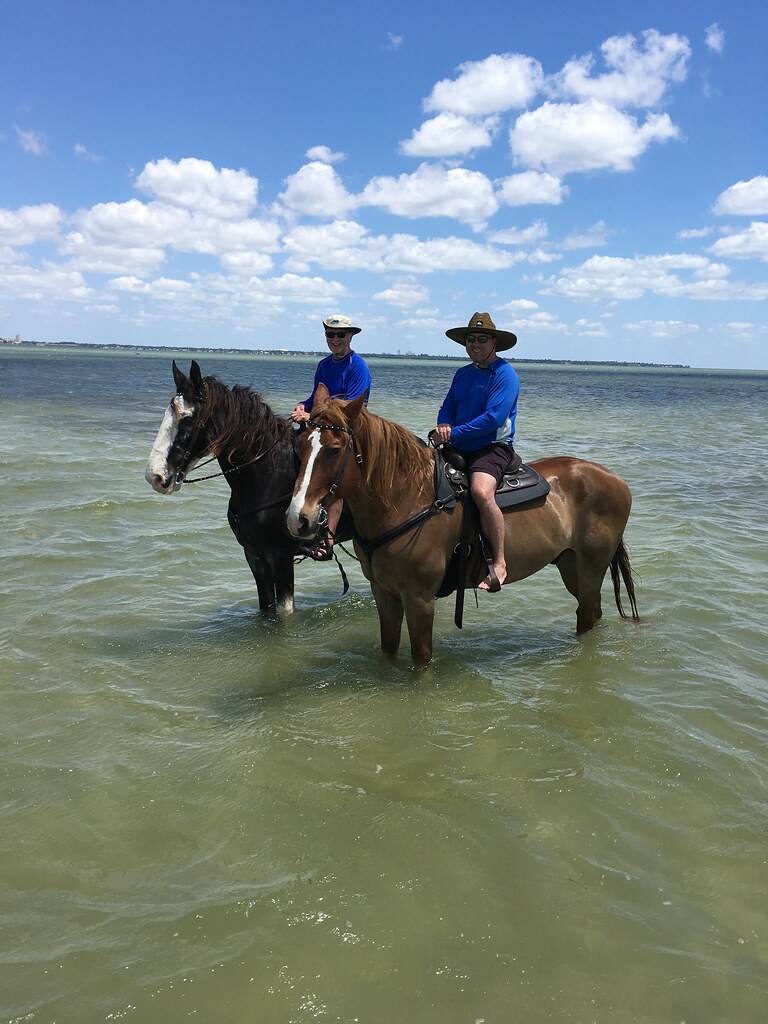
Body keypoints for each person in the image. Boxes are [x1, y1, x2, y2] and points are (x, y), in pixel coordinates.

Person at [433, 312, 519, 593]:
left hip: (492, 448)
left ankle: (499, 563)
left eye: (482, 339)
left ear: (494, 342)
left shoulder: (505, 374)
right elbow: (448, 406)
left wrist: (453, 432)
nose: (475, 344)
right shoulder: (462, 374)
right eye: (471, 339)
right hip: (458, 445)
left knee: (482, 492)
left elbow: (494, 419)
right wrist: (444, 423)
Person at [290, 314, 372, 560]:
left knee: (334, 470)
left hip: (349, 427)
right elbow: (315, 396)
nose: (335, 339)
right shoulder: (324, 365)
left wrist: (315, 416)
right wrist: (303, 407)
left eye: (340, 335)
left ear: (350, 337)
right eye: (330, 335)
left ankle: (328, 539)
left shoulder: (358, 366)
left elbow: (355, 406)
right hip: (323, 423)